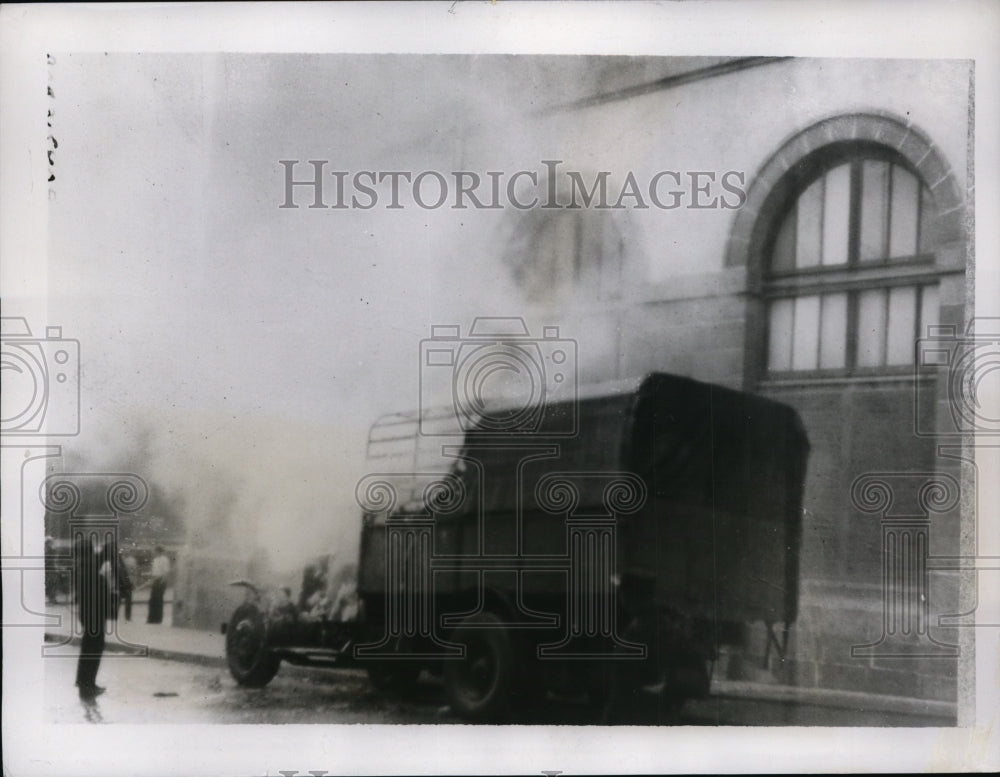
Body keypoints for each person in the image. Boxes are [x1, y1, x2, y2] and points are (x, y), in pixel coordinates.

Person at [74, 534, 109, 698]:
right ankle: (89, 684)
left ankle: (82, 680)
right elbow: (100, 589)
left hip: (86, 612)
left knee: (87, 647)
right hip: (95, 613)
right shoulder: (92, 565)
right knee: (95, 647)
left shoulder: (80, 565)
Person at [146, 546, 170, 624]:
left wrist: (162, 581)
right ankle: (151, 618)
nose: (154, 553)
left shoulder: (164, 559)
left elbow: (166, 572)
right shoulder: (155, 560)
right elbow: (154, 572)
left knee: (159, 600)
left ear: (159, 551)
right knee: (152, 600)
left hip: (160, 580)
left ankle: (158, 619)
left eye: (155, 551)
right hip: (155, 580)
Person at [118, 549, 135, 622]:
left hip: (127, 581)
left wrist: (133, 581)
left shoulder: (131, 560)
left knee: (127, 600)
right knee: (118, 600)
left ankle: (128, 616)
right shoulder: (121, 561)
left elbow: (134, 571)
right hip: (122, 582)